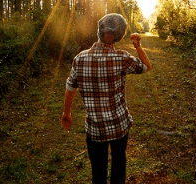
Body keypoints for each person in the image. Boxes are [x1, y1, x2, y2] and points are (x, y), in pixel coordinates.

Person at [61, 13, 151, 184]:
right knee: (118, 168)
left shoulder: (79, 59)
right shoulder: (122, 58)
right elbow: (147, 66)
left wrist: (66, 113)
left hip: (95, 129)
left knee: (98, 173)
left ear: (99, 32)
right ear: (119, 35)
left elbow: (70, 85)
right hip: (119, 126)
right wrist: (138, 46)